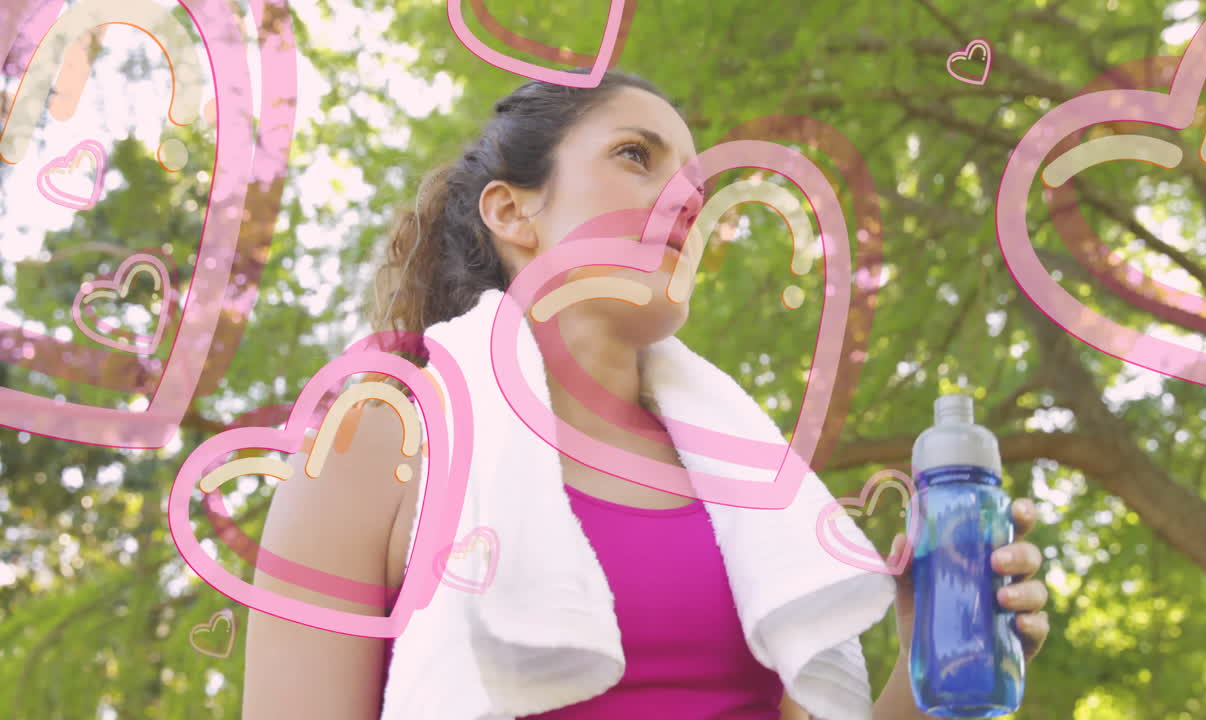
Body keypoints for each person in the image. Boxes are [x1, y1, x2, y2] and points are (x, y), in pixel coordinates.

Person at [241, 69, 1049, 720]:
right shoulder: (379, 443)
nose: (690, 197)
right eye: (637, 155)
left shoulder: (749, 485)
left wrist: (925, 664)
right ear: (512, 211)